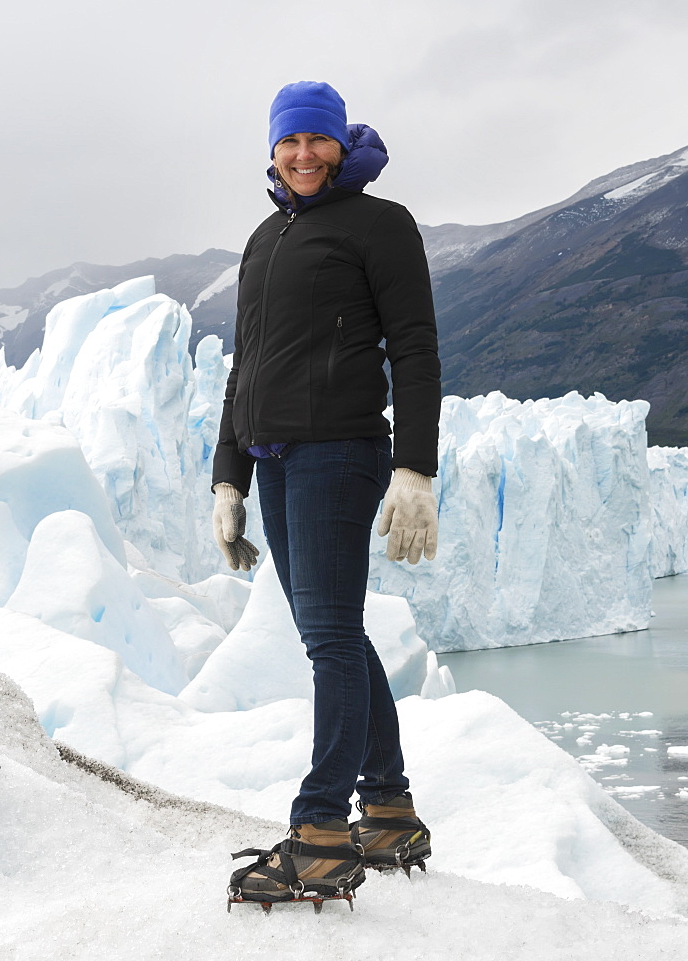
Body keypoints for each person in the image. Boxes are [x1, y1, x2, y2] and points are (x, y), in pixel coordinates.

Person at [212, 81, 441, 909]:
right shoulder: (265, 238)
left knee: (331, 640)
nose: (303, 155)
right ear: (272, 150)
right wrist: (227, 476)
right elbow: (246, 365)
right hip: (276, 458)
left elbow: (415, 348)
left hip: (340, 452)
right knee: (331, 631)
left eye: (318, 141)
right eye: (289, 142)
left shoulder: (381, 225)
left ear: (342, 145)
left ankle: (319, 834)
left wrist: (415, 467)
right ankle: (386, 809)